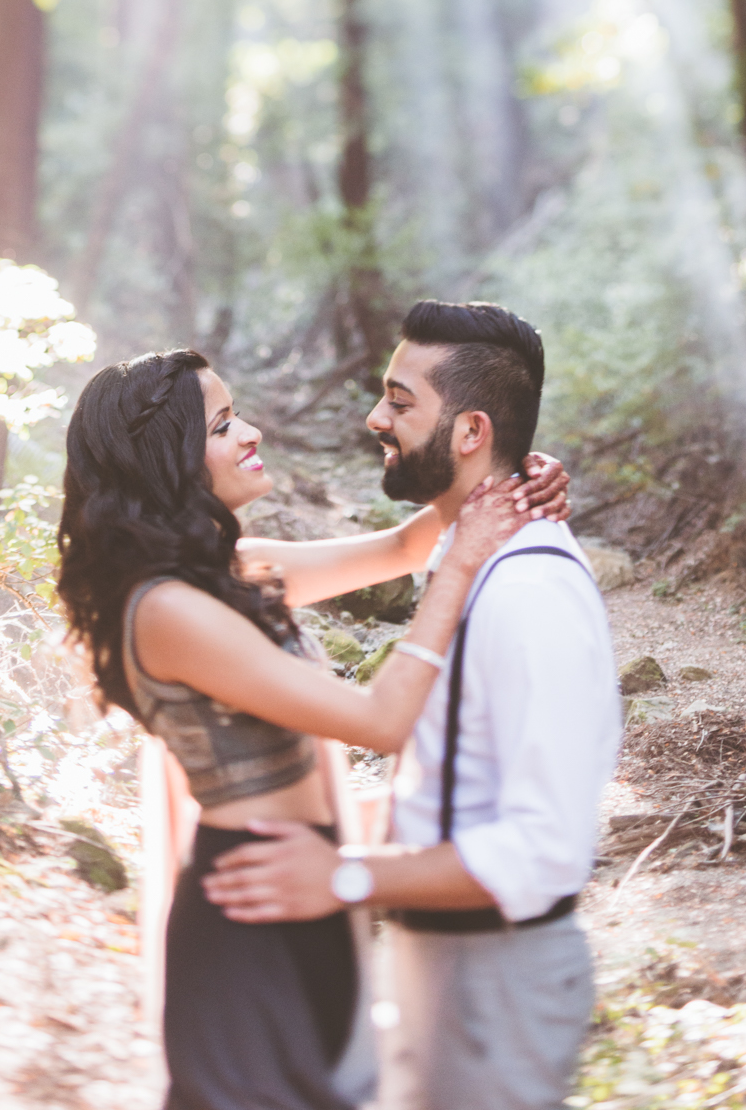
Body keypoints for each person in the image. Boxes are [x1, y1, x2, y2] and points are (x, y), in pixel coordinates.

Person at [55, 344, 571, 1110]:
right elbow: (381, 719)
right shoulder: (163, 610)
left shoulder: (237, 573)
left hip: (309, 896)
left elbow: (403, 548)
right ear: (166, 458)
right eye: (224, 424)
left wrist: (509, 475)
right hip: (248, 916)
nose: (251, 433)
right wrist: (461, 567)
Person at [204, 301, 622, 1110]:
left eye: (400, 401)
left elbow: (542, 852)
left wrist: (343, 874)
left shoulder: (529, 591)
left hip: (494, 981)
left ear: (468, 433)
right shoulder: (462, 554)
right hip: (432, 964)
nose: (375, 418)